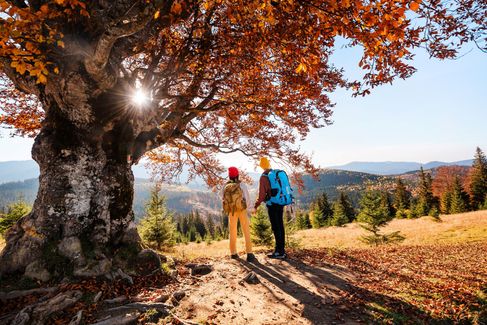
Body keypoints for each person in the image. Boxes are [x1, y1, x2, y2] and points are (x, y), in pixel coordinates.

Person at [254, 157, 286, 259]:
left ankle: (278, 252)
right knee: (280, 225)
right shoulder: (274, 174)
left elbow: (262, 195)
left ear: (261, 166)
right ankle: (282, 250)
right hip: (280, 202)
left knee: (275, 227)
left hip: (272, 204)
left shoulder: (263, 177)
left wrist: (256, 205)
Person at [221, 167, 256, 262]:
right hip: (242, 210)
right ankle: (249, 253)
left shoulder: (225, 185)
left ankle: (233, 253)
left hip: (231, 211)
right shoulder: (242, 185)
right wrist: (251, 209)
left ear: (229, 175)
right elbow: (247, 198)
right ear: (237, 175)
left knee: (232, 231)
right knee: (246, 230)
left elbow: (223, 198)